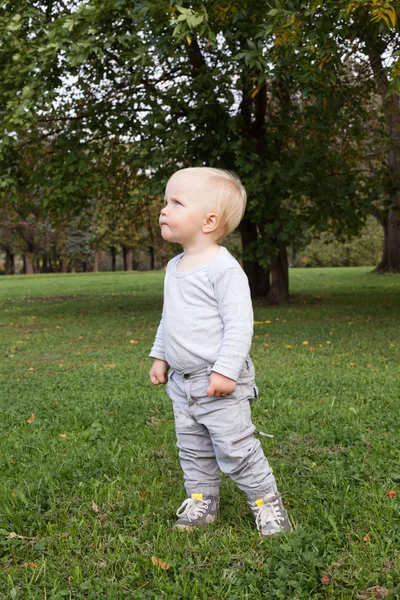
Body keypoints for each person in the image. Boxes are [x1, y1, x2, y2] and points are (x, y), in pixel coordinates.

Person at [149, 167, 292, 536]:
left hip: (219, 380)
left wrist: (226, 371)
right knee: (193, 447)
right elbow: (171, 318)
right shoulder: (174, 266)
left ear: (209, 221)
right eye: (166, 201)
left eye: (176, 202)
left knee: (236, 449)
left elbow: (240, 325)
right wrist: (160, 355)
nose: (164, 209)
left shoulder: (224, 269)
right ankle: (202, 502)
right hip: (182, 383)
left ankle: (266, 504)